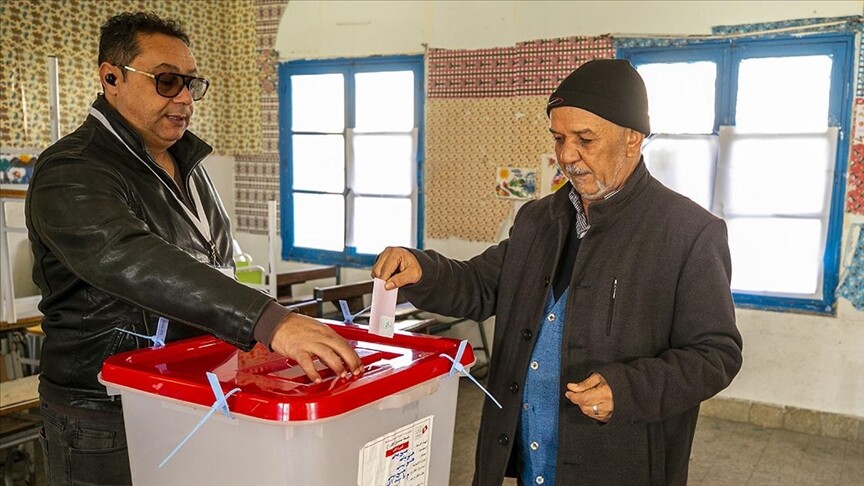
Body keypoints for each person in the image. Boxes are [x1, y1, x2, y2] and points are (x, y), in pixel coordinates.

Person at [25, 12, 361, 485]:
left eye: (189, 84)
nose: (184, 97)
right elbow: (133, 258)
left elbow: (214, 263)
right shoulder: (72, 170)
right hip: (105, 407)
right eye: (166, 81)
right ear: (111, 78)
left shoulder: (189, 164)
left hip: (188, 390)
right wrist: (268, 320)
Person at [373, 59, 743, 486]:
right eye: (559, 138)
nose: (567, 155)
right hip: (533, 455)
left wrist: (627, 390)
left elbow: (716, 354)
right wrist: (425, 271)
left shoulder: (689, 233)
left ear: (632, 140)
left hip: (620, 464)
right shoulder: (539, 220)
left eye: (585, 139)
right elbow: (482, 285)